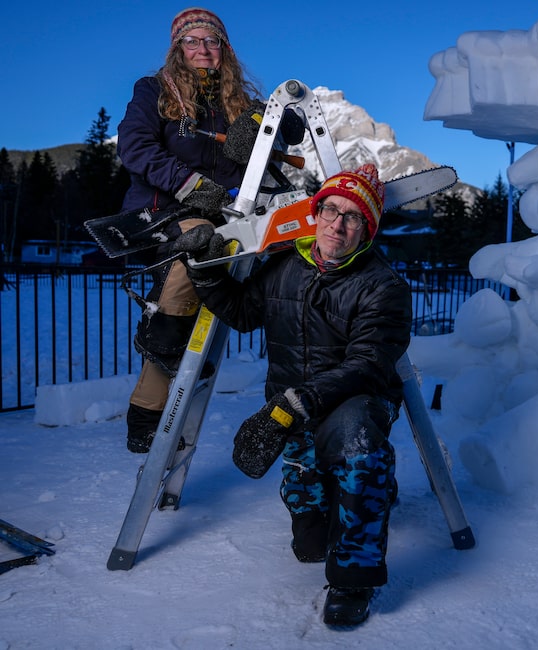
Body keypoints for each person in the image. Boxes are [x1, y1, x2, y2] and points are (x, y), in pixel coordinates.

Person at [175, 163, 412, 627]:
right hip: (293, 405)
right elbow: (243, 313)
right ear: (316, 211)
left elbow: (365, 366)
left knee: (359, 449)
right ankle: (343, 491)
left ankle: (353, 580)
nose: (337, 225)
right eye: (330, 210)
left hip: (355, 401)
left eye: (353, 217)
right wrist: (204, 273)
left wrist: (289, 407)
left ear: (367, 230)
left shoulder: (384, 286)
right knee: (309, 545)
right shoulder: (286, 266)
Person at [117, 7, 296, 453]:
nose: (203, 49)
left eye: (212, 41)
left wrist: (271, 126)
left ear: (225, 50)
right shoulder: (154, 90)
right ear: (178, 48)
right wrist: (191, 185)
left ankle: (296, 380)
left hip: (221, 220)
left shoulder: (234, 104)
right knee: (196, 247)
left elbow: (278, 138)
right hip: (159, 213)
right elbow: (134, 147)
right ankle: (149, 400)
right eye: (192, 41)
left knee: (264, 252)